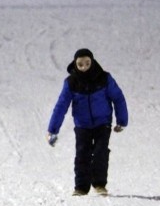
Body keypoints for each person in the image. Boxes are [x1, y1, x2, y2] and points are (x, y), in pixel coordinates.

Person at [47, 48, 128, 196]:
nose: (84, 67)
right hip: (82, 125)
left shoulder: (104, 78)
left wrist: (122, 120)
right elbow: (61, 105)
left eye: (87, 63)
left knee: (100, 152)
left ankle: (99, 184)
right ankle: (81, 187)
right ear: (75, 64)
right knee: (82, 153)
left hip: (102, 123)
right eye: (80, 64)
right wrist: (53, 129)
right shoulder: (71, 82)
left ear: (92, 61)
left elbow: (118, 97)